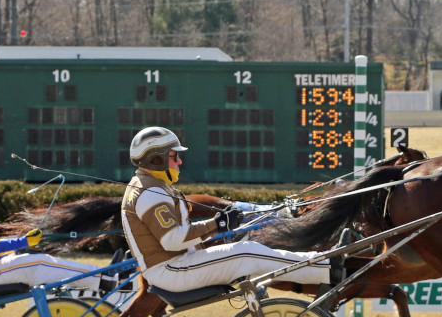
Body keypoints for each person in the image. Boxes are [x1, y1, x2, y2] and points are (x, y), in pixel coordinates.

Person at [120, 126, 343, 296]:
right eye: (174, 156)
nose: (179, 161)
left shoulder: (151, 187)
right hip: (171, 271)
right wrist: (216, 224)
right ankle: (325, 267)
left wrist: (218, 225)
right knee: (246, 252)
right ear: (156, 159)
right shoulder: (150, 192)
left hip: (175, 266)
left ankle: (320, 264)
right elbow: (172, 240)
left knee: (247, 251)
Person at [0, 177, 119, 293]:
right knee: (41, 262)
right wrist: (24, 241)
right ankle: (103, 279)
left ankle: (100, 277)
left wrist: (23, 245)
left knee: (44, 262)